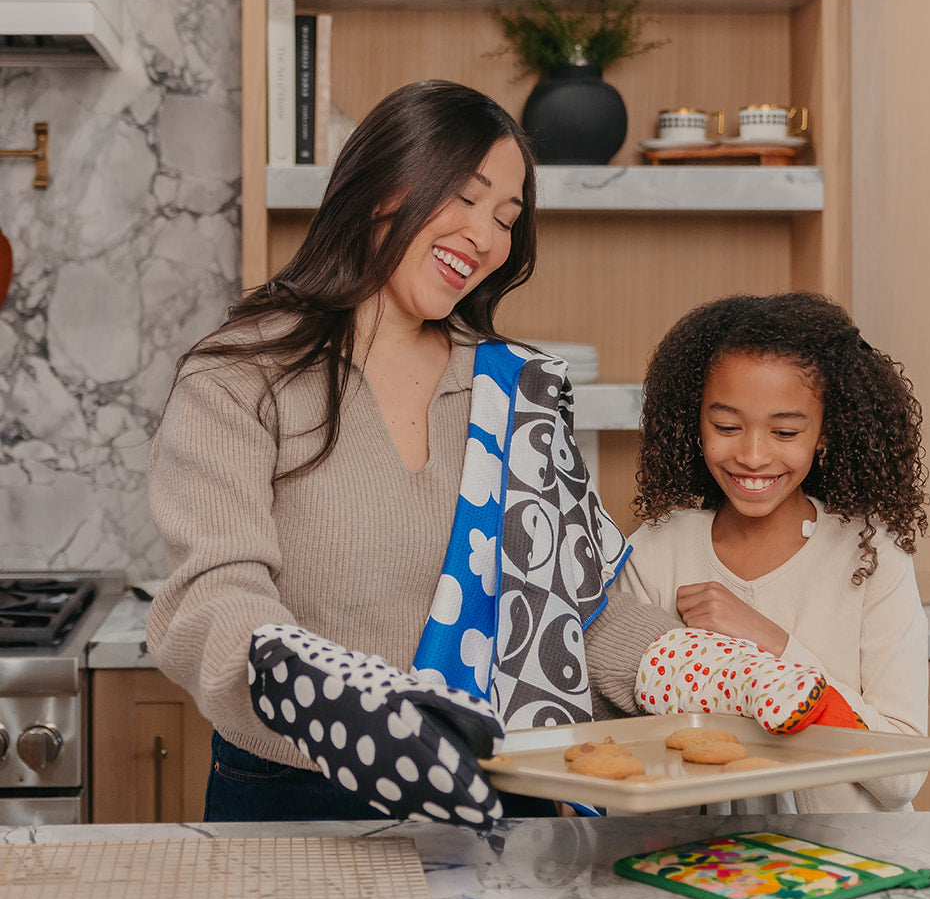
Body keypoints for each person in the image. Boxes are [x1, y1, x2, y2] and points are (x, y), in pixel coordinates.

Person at [146, 79, 677, 823]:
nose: (487, 237)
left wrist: (688, 665)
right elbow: (214, 597)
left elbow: (572, 612)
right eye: (463, 196)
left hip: (496, 787)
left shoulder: (516, 389)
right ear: (379, 183)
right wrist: (335, 699)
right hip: (299, 790)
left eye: (506, 216)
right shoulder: (239, 376)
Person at [617, 291, 930, 814]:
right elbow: (628, 756)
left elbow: (901, 776)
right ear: (693, 422)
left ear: (825, 431)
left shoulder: (873, 557)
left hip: (850, 872)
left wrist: (772, 647)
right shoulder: (653, 552)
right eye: (726, 426)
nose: (753, 455)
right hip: (697, 869)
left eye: (785, 431)